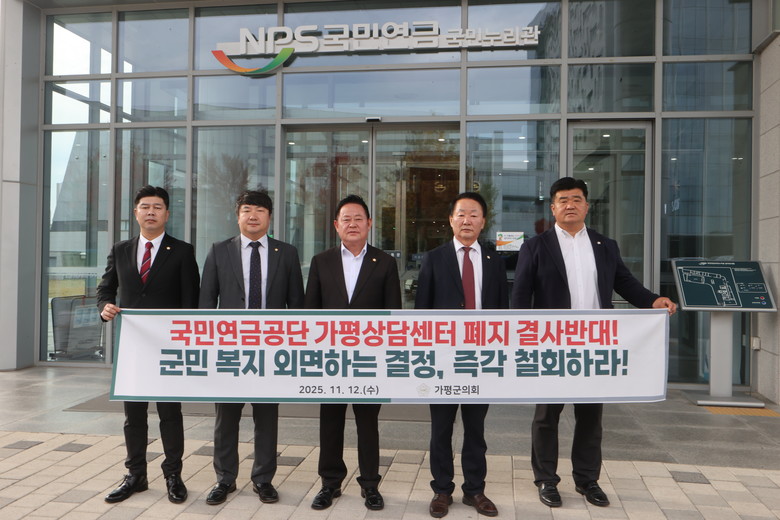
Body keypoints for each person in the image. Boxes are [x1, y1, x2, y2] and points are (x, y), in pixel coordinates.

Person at [512, 177, 677, 509]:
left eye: (576, 199)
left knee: (590, 416)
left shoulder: (605, 245)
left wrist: (652, 300)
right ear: (553, 208)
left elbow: (624, 283)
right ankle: (546, 479)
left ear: (587, 206)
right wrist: (519, 338)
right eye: (563, 200)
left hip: (593, 345)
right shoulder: (536, 246)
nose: (570, 205)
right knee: (547, 415)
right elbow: (520, 295)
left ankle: (587, 480)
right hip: (551, 344)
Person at [199, 190, 304, 505]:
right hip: (230, 349)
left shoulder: (286, 253)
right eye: (247, 210)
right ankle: (224, 479)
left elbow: (297, 306)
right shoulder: (219, 251)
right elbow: (206, 303)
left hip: (271, 350)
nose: (253, 215)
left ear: (269, 216)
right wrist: (209, 347)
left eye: (260, 210)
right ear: (238, 216)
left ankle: (263, 479)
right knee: (226, 418)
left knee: (267, 417)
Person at [97, 185, 200, 504]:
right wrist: (104, 307)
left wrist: (187, 344)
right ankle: (136, 475)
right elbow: (106, 288)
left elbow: (191, 301)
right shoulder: (121, 249)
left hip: (168, 346)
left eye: (157, 207)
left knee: (170, 413)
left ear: (167, 214)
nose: (151, 211)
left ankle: (173, 475)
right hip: (132, 347)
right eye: (145, 206)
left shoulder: (182, 251)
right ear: (136, 213)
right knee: (134, 415)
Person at [304, 194, 402, 511]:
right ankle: (330, 484)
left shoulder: (384, 262)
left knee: (367, 423)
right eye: (346, 219)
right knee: (330, 422)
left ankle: (370, 484)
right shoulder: (322, 261)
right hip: (331, 359)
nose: (353, 224)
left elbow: (394, 314)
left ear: (369, 224)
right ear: (336, 225)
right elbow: (310, 312)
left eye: (359, 218)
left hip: (369, 360)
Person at [415, 192, 507, 518]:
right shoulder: (434, 258)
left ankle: (475, 490)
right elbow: (422, 312)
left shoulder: (494, 261)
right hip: (442, 359)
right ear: (451, 220)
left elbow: (502, 311)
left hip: (480, 359)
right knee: (441, 428)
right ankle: (442, 490)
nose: (467, 220)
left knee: (475, 429)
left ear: (483, 221)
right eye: (461, 214)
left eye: (474, 214)